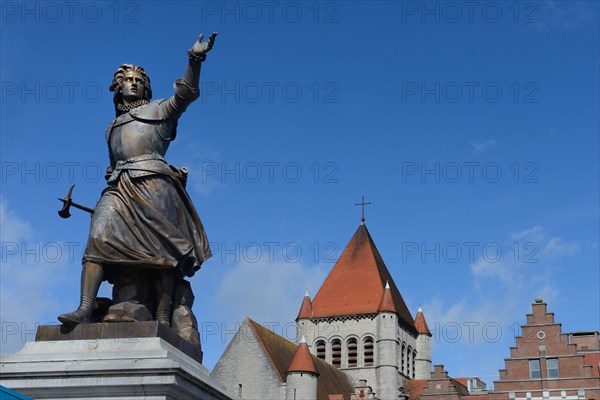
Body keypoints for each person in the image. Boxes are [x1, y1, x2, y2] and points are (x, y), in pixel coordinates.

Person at [58, 33, 218, 326]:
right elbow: (112, 166)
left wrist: (194, 59)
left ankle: (162, 313)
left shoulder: (159, 110)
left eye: (138, 80)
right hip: (120, 188)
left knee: (163, 253)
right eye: (127, 80)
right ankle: (84, 307)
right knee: (97, 236)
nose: (133, 83)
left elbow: (187, 93)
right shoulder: (111, 128)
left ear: (146, 87)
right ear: (117, 88)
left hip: (156, 186)